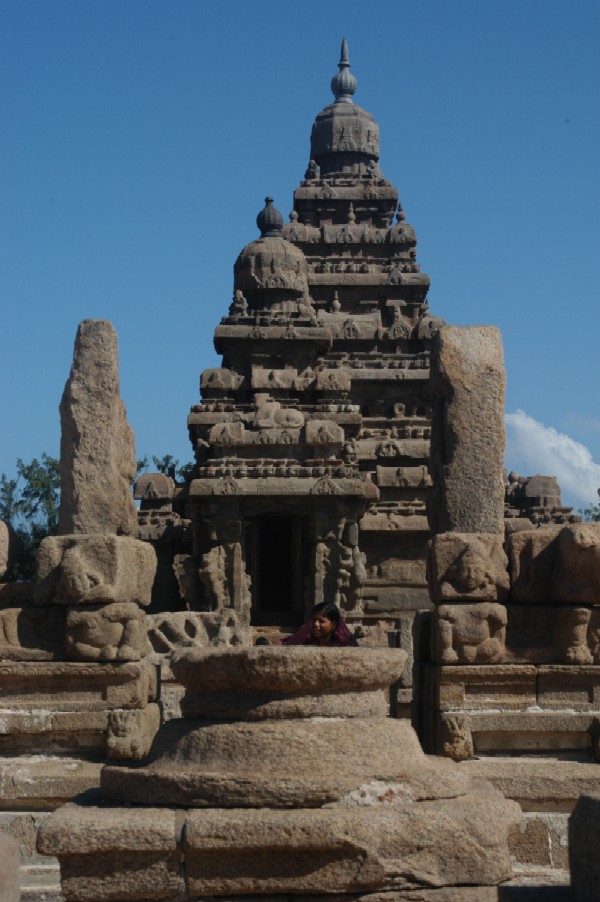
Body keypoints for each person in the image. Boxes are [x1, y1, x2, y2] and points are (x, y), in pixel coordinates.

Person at [280, 602, 358, 647]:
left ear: (333, 625)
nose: (315, 624)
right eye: (314, 620)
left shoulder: (342, 647)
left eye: (321, 621)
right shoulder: (308, 643)